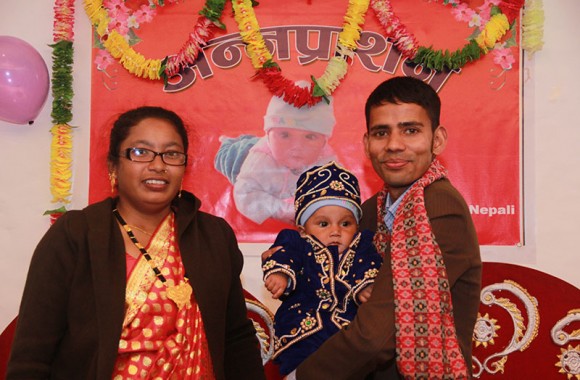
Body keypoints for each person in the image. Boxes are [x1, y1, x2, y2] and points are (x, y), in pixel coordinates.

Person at [7, 106, 266, 379]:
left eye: (171, 154)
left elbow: (236, 339)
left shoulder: (213, 236)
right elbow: (32, 356)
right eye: (140, 152)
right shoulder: (76, 235)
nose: (158, 165)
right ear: (113, 165)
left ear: (184, 166)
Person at [273, 76, 482, 379]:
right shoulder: (370, 211)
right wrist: (286, 261)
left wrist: (300, 376)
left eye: (411, 130)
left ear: (437, 140)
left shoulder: (438, 207)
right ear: (367, 142)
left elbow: (376, 337)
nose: (394, 145)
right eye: (381, 132)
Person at [262, 161, 383, 376]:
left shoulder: (362, 246)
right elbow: (285, 254)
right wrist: (280, 274)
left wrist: (367, 285)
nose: (336, 231)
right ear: (303, 229)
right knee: (298, 366)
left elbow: (370, 264)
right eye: (324, 224)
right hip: (302, 330)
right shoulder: (298, 242)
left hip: (345, 330)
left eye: (345, 224)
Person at [214, 81, 337, 225]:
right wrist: (283, 210)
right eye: (285, 135)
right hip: (241, 157)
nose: (296, 146)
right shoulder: (260, 161)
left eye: (310, 137)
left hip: (288, 178)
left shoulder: (325, 158)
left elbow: (336, 183)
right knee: (230, 155)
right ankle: (231, 144)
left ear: (323, 142)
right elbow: (245, 195)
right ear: (268, 135)